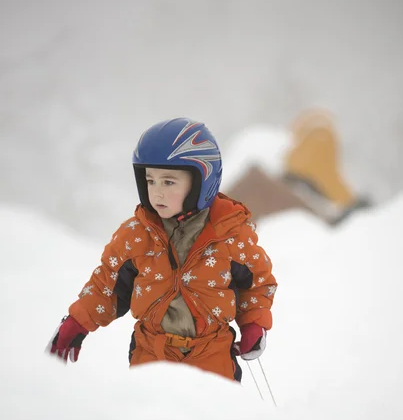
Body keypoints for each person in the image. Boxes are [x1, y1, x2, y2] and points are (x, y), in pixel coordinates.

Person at [46, 118, 277, 382]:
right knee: (150, 419)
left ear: (202, 182)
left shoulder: (230, 235)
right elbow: (106, 286)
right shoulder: (136, 235)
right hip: (151, 353)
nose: (157, 193)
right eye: (150, 181)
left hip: (212, 354)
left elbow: (258, 283)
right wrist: (77, 322)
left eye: (168, 183)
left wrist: (253, 324)